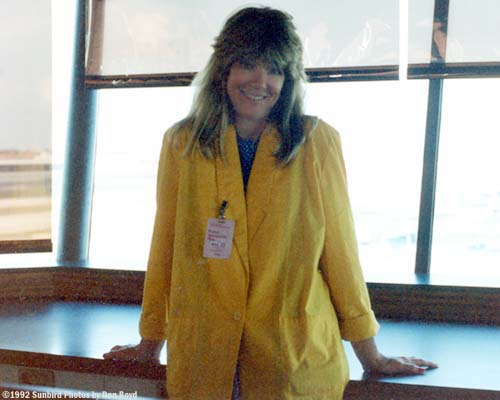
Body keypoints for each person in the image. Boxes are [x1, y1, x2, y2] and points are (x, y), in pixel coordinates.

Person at [103, 6, 437, 399]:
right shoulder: (182, 143)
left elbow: (341, 257)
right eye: (247, 65)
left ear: (289, 78)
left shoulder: (316, 142)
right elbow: (165, 250)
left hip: (291, 362)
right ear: (223, 69)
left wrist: (371, 356)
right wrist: (149, 344)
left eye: (275, 69)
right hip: (204, 359)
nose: (261, 81)